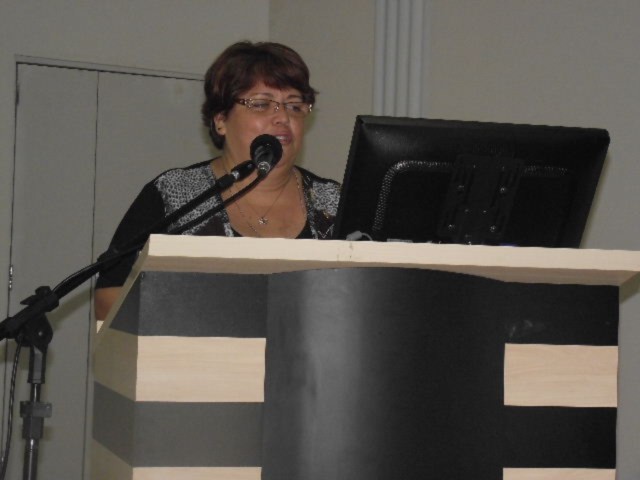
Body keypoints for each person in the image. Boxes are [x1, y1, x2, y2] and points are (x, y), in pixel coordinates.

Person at [94, 41, 341, 320]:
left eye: (295, 106)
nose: (283, 117)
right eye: (261, 104)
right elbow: (108, 299)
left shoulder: (334, 203)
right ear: (221, 119)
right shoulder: (174, 194)